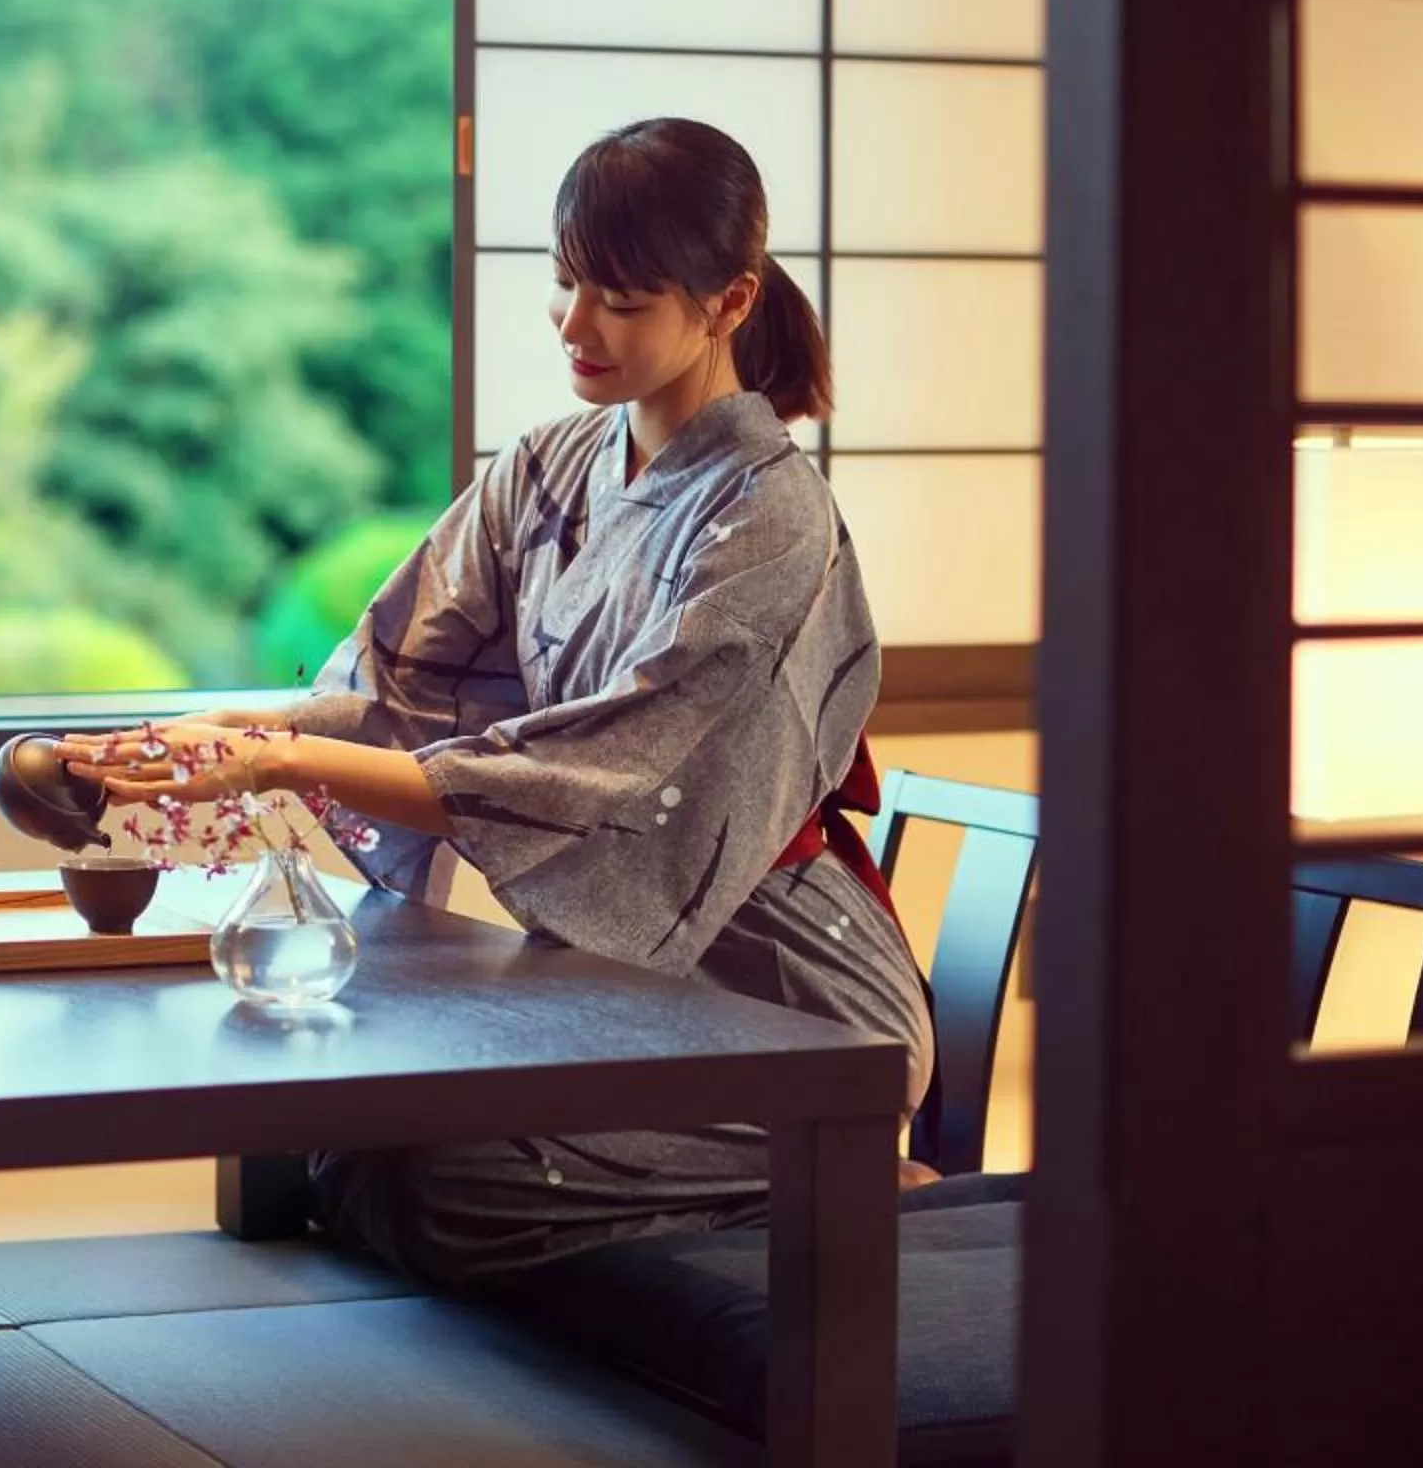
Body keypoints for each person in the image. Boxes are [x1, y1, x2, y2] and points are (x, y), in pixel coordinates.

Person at [61, 117, 932, 1287]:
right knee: (346, 1137)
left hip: (785, 991)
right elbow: (397, 688)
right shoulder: (544, 467)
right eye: (565, 284)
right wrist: (230, 734)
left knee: (434, 1178)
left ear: (729, 304)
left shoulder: (771, 516)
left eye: (620, 299)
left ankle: (852, 1160)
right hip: (615, 981)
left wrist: (279, 766)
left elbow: (615, 772)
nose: (577, 327)